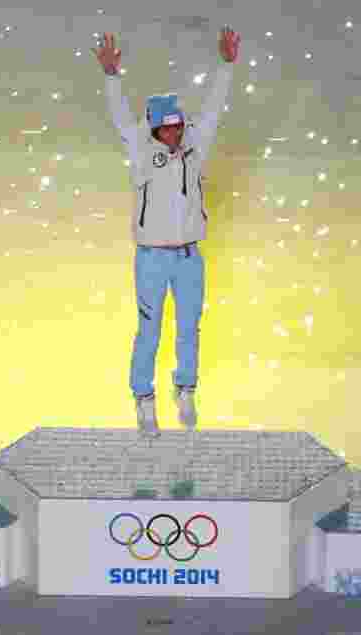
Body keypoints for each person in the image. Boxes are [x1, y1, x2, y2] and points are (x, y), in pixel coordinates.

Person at [94, 28, 240, 438]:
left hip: (190, 256)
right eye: (168, 128)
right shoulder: (141, 151)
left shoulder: (196, 146)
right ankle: (143, 397)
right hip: (153, 257)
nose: (176, 133)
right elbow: (122, 119)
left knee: (189, 326)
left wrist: (227, 65)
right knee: (150, 329)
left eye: (179, 126)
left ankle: (186, 389)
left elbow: (213, 108)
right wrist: (111, 77)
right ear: (156, 129)